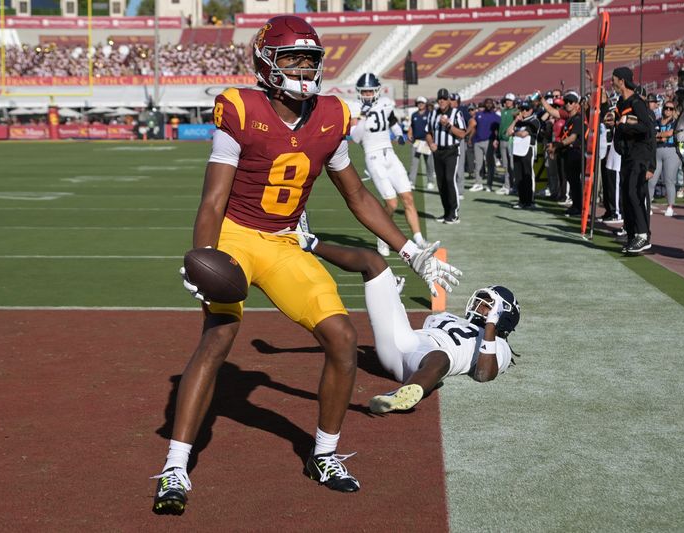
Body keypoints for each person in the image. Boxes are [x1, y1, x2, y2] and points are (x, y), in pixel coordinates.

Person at [150, 16, 463, 515]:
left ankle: (324, 454)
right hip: (235, 235)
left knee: (341, 337)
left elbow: (357, 195)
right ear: (267, 64)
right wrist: (203, 255)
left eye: (310, 59)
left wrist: (411, 251)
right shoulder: (240, 108)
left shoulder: (331, 116)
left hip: (284, 242)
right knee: (219, 337)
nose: (302, 68)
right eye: (292, 58)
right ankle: (175, 465)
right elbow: (213, 200)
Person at [300, 234, 519, 413]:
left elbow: (484, 375)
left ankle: (403, 395)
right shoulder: (445, 317)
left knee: (441, 356)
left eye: (488, 304)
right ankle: (311, 243)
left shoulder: (499, 346)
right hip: (401, 341)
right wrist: (396, 303)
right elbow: (414, 335)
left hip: (424, 360)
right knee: (373, 261)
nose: (480, 305)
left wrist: (490, 328)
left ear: (503, 313)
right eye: (482, 301)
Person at [351, 72, 429, 255]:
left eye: (370, 91)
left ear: (377, 91)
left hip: (390, 154)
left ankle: (418, 238)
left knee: (408, 198)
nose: (368, 95)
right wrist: (363, 116)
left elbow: (392, 121)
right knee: (392, 204)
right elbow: (355, 137)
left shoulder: (385, 103)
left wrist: (399, 134)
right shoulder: (356, 108)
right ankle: (382, 235)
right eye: (365, 91)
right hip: (373, 156)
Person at [612, 67, 655, 254]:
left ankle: (643, 236)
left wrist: (625, 125)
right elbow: (618, 120)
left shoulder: (637, 102)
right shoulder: (621, 102)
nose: (612, 83)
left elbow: (647, 128)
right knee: (626, 197)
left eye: (613, 79)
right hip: (627, 155)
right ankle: (631, 235)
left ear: (621, 81)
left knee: (635, 194)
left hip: (640, 155)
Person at [426, 88, 467, 224]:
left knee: (450, 179)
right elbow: (428, 132)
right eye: (440, 99)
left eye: (444, 98)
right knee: (441, 183)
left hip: (451, 151)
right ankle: (446, 212)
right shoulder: (432, 114)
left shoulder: (456, 113)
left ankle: (454, 214)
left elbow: (462, 134)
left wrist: (448, 125)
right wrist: (431, 143)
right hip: (438, 152)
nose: (442, 101)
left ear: (449, 100)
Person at [506, 99, 541, 209]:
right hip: (517, 150)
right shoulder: (519, 121)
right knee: (519, 177)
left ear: (531, 110)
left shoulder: (534, 121)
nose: (524, 111)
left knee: (527, 176)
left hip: (527, 150)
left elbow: (523, 134)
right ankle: (522, 200)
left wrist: (514, 133)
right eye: (522, 109)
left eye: (526, 109)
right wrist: (515, 120)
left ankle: (529, 201)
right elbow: (508, 132)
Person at [651, 101, 681, 217]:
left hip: (671, 151)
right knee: (651, 180)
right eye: (666, 108)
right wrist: (659, 136)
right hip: (657, 150)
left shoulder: (675, 122)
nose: (668, 110)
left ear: (673, 111)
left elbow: (669, 133)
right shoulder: (657, 121)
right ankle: (648, 204)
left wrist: (659, 135)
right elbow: (652, 134)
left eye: (670, 109)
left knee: (669, 180)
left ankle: (670, 206)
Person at [407, 96, 436, 190]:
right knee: (414, 163)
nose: (420, 104)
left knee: (429, 163)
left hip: (426, 142)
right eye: (419, 102)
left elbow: (433, 127)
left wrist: (432, 141)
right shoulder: (414, 114)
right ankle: (411, 181)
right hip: (416, 142)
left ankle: (430, 181)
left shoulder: (430, 114)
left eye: (422, 103)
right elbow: (412, 126)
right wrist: (409, 133)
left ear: (425, 104)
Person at [497, 93, 517, 195]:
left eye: (510, 100)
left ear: (513, 101)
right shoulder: (503, 111)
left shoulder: (516, 111)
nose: (508, 102)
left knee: (512, 164)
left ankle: (515, 186)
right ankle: (507, 185)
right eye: (506, 100)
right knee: (505, 165)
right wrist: (498, 138)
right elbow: (500, 127)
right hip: (502, 140)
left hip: (511, 140)